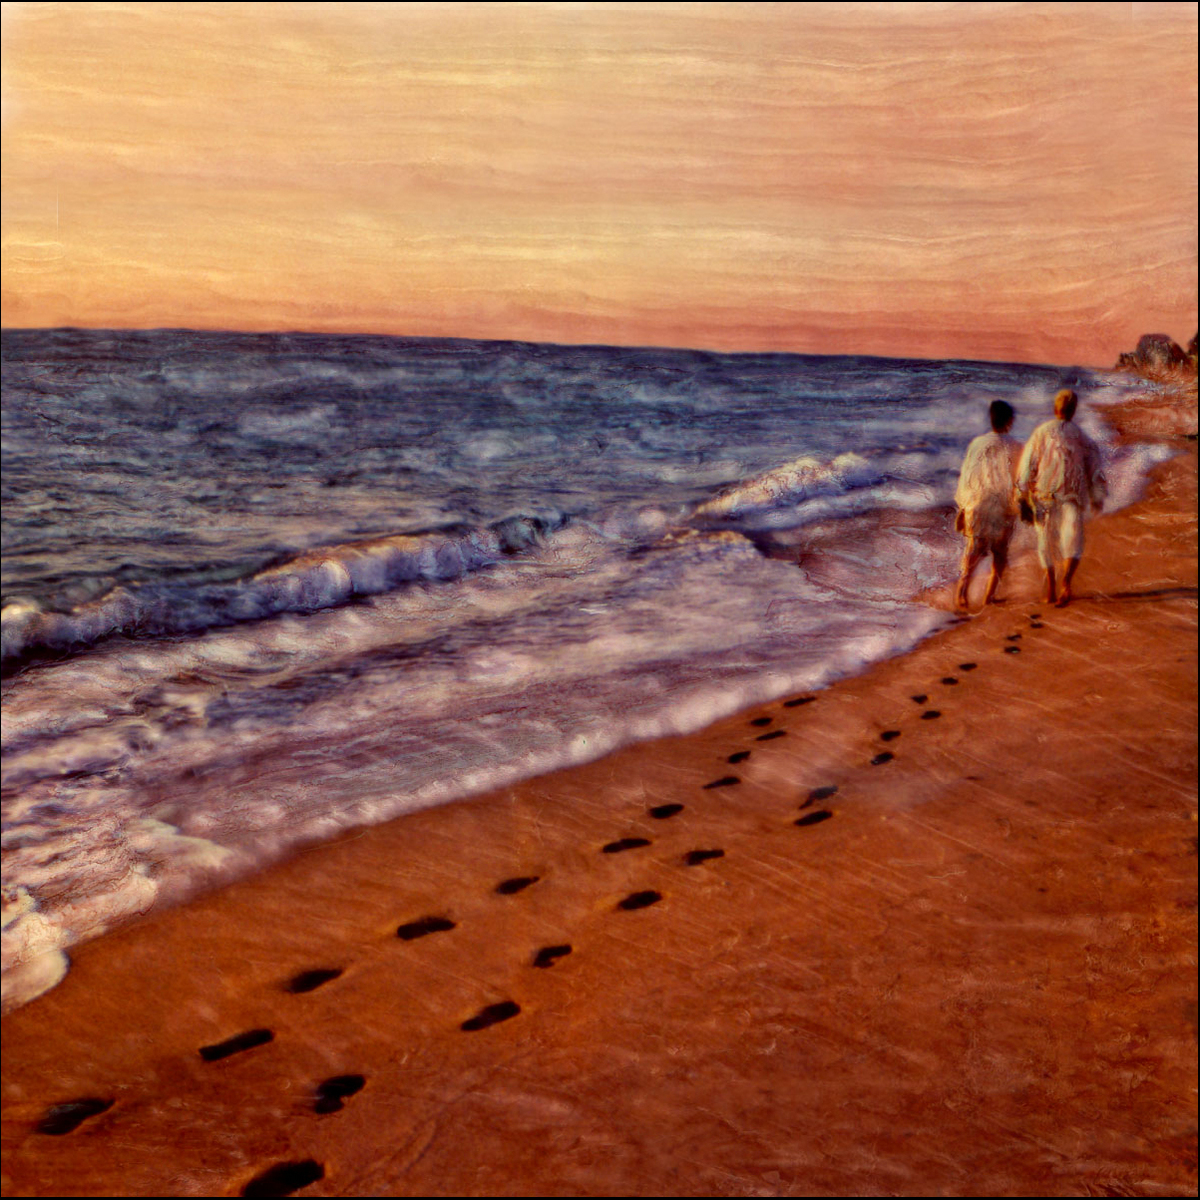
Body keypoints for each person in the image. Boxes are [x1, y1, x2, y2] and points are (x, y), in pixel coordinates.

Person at [1016, 388, 1107, 608]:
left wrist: (1021, 493)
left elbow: (1027, 465)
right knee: (1072, 539)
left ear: (1055, 408)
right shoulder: (1082, 437)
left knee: (1046, 542)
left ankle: (1052, 587)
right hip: (1072, 495)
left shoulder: (1041, 432)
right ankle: (1065, 582)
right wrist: (1097, 496)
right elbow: (1094, 468)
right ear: (1073, 410)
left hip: (1045, 494)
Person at [953, 399, 1022, 611]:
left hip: (978, 502)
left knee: (973, 549)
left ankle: (962, 591)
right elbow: (1021, 480)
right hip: (1002, 505)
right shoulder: (1018, 446)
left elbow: (967, 477)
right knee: (1000, 553)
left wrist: (963, 507)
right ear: (1010, 422)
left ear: (991, 419)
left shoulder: (977, 443)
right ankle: (989, 596)